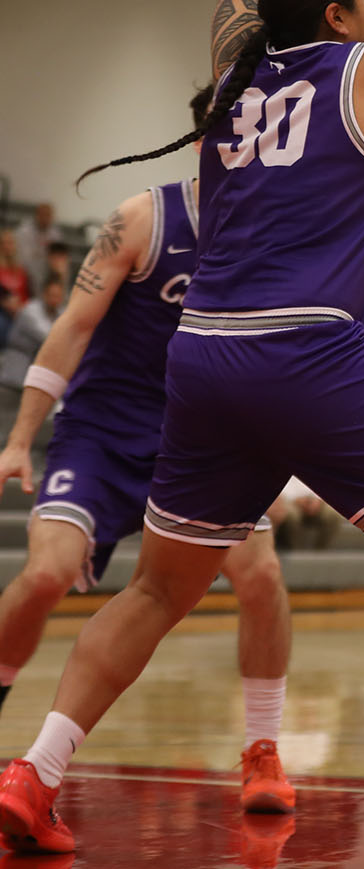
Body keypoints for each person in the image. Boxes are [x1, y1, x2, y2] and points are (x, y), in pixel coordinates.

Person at [0, 0, 364, 854]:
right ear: (336, 14)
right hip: (305, 351)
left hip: (201, 360)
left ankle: (35, 772)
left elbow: (236, 18)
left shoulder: (231, 90)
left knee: (158, 592)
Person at [0, 87, 299, 827]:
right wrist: (19, 438)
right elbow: (72, 328)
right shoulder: (142, 217)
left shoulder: (271, 237)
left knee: (262, 576)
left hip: (201, 443)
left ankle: (263, 749)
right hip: (103, 432)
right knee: (45, 574)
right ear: (204, 144)